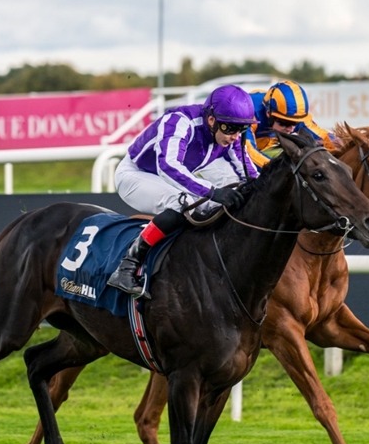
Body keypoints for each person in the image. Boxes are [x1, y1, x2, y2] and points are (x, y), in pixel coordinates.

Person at [106, 84, 259, 297]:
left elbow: (247, 172)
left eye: (241, 129)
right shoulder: (179, 122)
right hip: (135, 174)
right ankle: (127, 266)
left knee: (215, 204)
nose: (235, 136)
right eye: (230, 129)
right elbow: (168, 167)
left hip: (170, 177)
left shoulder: (229, 134)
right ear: (212, 120)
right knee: (184, 203)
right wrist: (213, 191)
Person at [243, 80, 335, 167]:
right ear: (268, 113)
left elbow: (324, 136)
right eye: (285, 123)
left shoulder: (293, 115)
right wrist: (279, 170)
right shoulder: (249, 113)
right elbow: (247, 152)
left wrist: (341, 144)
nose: (290, 129)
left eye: (294, 123)